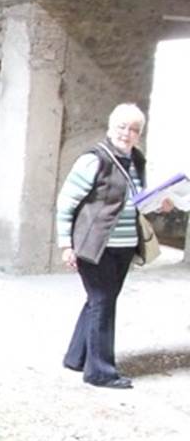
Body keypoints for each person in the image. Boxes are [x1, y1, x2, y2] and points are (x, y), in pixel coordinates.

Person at [56, 102, 153, 390]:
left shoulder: (137, 161)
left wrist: (160, 202)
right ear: (111, 127)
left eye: (134, 129)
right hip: (94, 245)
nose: (127, 133)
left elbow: (137, 200)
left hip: (124, 245)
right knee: (103, 302)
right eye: (122, 127)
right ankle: (100, 371)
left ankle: (77, 357)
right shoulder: (94, 160)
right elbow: (66, 203)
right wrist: (65, 245)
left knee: (99, 300)